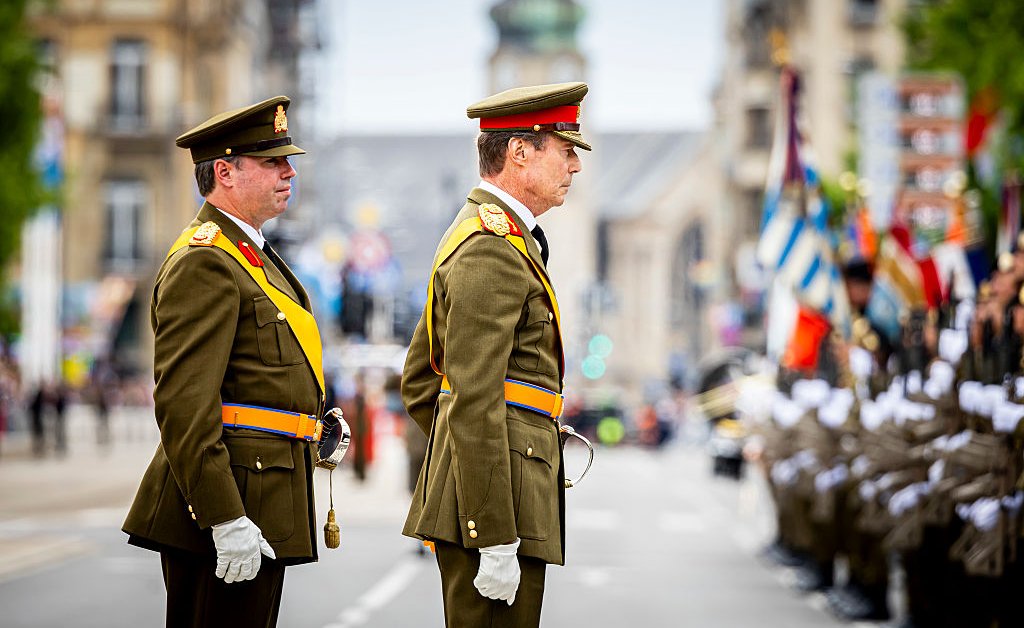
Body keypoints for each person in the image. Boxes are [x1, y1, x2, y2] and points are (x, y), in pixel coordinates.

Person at [122, 95, 326, 628]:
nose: (289, 172)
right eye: (272, 162)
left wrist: (315, 420)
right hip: (230, 501)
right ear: (225, 172)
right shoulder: (207, 261)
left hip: (262, 491)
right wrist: (224, 517)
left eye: (287, 161)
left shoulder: (250, 254)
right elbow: (184, 404)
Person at [401, 82, 590, 627]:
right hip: (496, 509)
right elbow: (470, 396)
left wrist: (458, 465)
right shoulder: (490, 246)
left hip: (504, 490)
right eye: (565, 148)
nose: (574, 166)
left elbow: (422, 382)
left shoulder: (501, 238)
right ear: (520, 152)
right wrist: (492, 529)